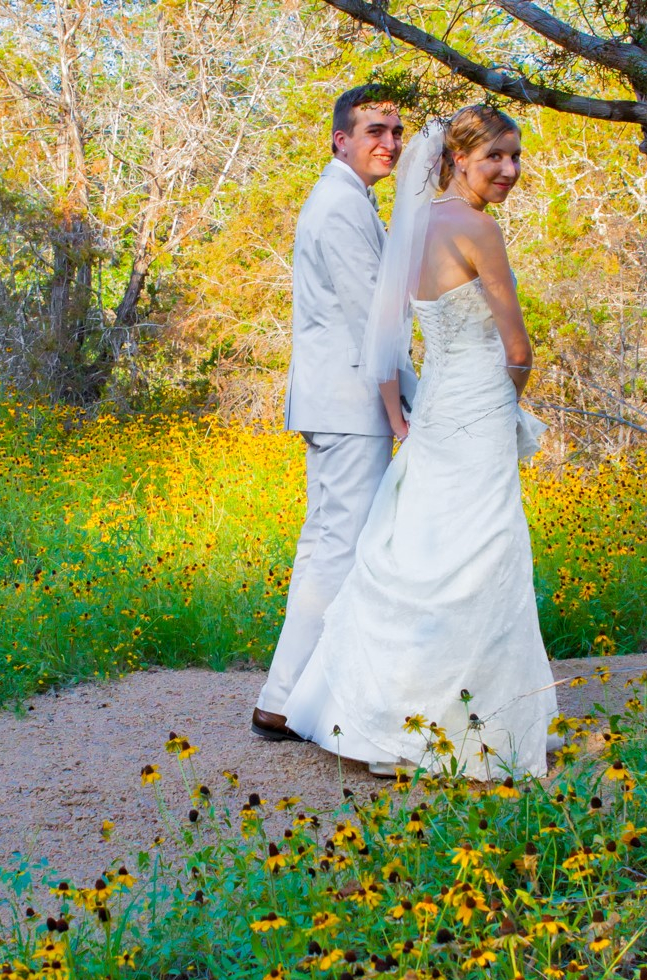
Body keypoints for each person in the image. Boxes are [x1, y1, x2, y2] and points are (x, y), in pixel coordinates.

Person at [281, 105, 557, 779]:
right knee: (484, 553)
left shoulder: (413, 224)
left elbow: (383, 333)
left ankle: (384, 717)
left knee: (418, 552)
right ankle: (474, 726)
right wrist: (506, 401)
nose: (509, 170)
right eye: (495, 156)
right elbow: (518, 350)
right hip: (476, 406)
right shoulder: (479, 229)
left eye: (515, 157)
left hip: (434, 410)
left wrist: (399, 412)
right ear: (458, 158)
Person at [252, 84, 416, 743]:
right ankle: (282, 700)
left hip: (336, 402)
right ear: (340, 139)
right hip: (351, 406)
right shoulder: (342, 206)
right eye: (376, 130)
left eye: (397, 132)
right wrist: (411, 405)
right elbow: (374, 322)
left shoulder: (347, 198)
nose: (391, 143)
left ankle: (293, 694)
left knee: (325, 546)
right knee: (338, 551)